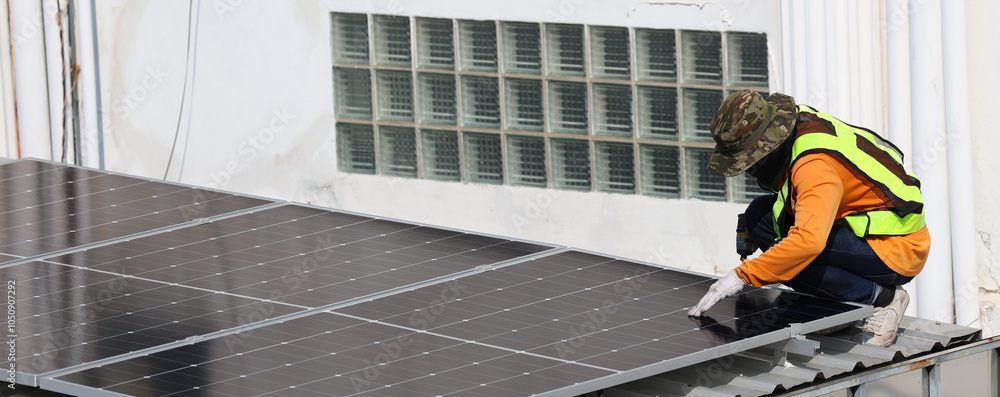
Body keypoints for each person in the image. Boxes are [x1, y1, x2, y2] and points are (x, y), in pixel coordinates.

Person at [687, 90, 930, 348]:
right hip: (857, 228)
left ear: (766, 148)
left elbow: (807, 242)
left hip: (897, 248)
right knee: (759, 217)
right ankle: (841, 304)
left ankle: (884, 298)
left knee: (792, 258)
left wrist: (743, 275)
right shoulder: (796, 126)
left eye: (748, 163)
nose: (748, 170)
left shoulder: (814, 166)